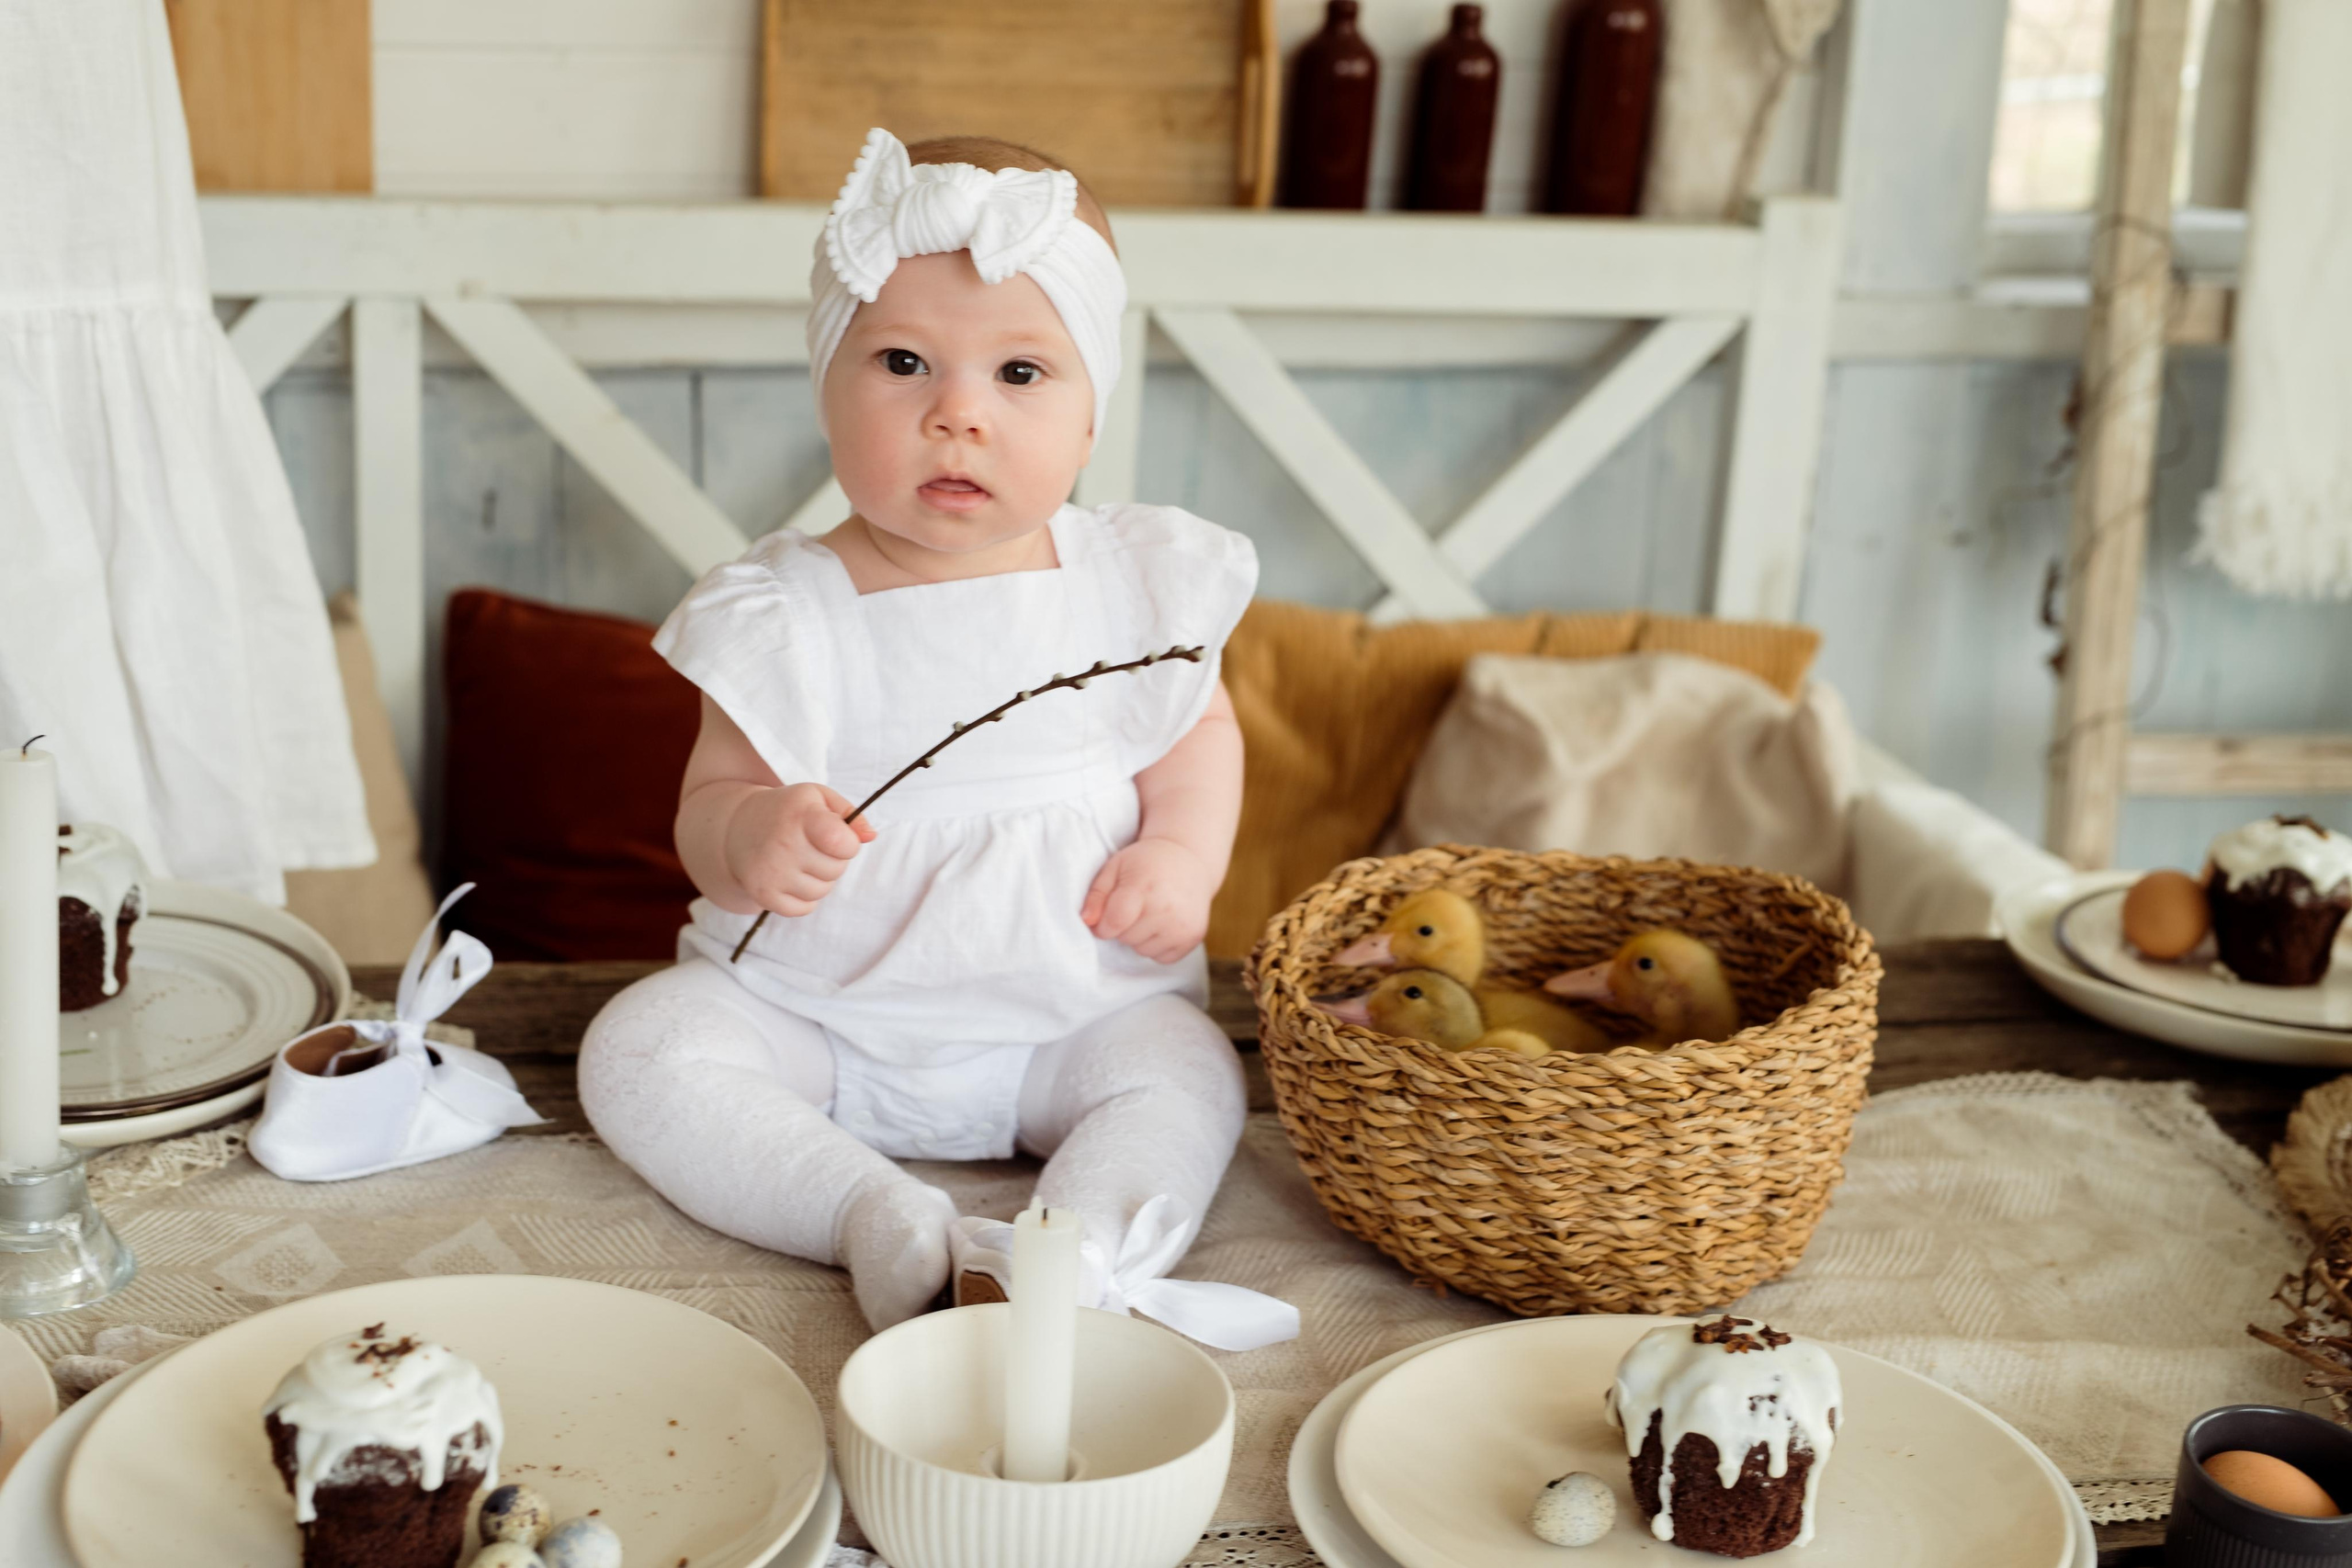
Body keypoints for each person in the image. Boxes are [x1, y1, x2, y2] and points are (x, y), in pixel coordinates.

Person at [579, 129, 1282, 1344]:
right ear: (826, 388)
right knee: (640, 1050)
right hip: (816, 1019)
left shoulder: (1131, 587)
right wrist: (752, 833)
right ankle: (867, 1213)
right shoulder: (781, 612)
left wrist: (1182, 855)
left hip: (1070, 1015)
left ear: (1091, 416)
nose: (958, 414)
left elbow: (1196, 736)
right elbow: (709, 805)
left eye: (1021, 373)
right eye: (903, 363)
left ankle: (1070, 1256)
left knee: (1187, 1071)